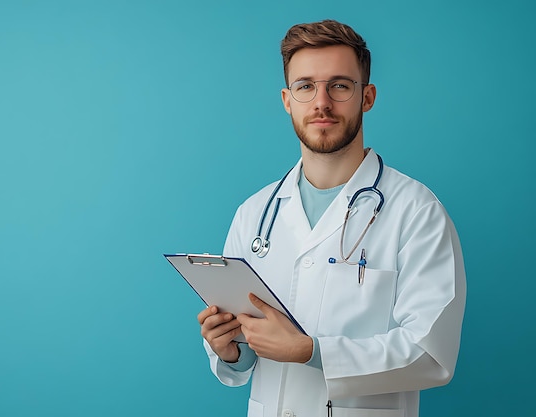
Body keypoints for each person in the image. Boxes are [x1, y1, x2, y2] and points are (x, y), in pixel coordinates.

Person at [196, 18, 466, 417]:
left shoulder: (416, 211)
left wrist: (312, 351)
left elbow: (430, 353)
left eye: (339, 85)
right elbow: (244, 350)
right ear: (288, 100)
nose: (321, 102)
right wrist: (229, 349)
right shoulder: (254, 214)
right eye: (305, 86)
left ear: (367, 97)